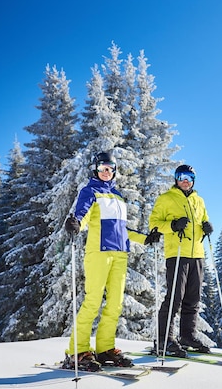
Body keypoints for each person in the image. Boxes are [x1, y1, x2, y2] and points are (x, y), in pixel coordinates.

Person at [62, 151, 155, 371]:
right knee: (93, 302)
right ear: (95, 169)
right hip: (99, 253)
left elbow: (122, 228)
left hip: (120, 254)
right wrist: (76, 224)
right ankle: (77, 351)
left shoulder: (119, 196)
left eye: (111, 168)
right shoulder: (90, 191)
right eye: (103, 168)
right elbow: (82, 215)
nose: (107, 172)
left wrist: (145, 238)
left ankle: (104, 349)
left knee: (115, 304)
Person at [149, 164, 213, 357]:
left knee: (193, 298)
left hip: (197, 254)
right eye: (182, 176)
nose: (185, 180)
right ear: (176, 179)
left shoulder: (199, 200)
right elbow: (154, 224)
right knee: (175, 297)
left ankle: (187, 336)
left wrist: (207, 227)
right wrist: (173, 225)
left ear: (193, 180)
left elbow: (203, 220)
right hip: (177, 253)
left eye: (189, 177)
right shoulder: (166, 199)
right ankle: (164, 340)